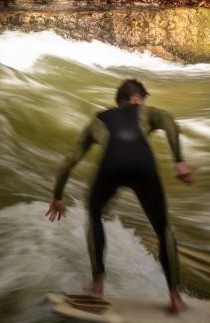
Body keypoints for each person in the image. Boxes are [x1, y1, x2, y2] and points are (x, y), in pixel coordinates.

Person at [46, 79, 194, 314]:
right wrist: (179, 160)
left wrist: (57, 196)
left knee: (94, 214)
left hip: (110, 167)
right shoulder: (145, 111)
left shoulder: (98, 120)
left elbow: (69, 161)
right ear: (137, 99)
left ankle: (97, 287)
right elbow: (168, 120)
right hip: (143, 166)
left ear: (119, 101)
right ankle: (175, 298)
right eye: (143, 100)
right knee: (163, 228)